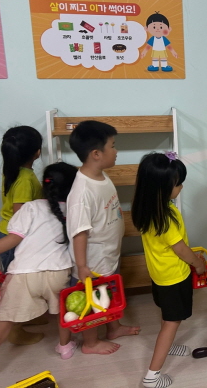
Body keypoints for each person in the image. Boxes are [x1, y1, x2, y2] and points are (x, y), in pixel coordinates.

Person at [0, 162, 79, 371]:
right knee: (62, 313)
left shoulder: (31, 207)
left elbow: (13, 239)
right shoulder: (74, 211)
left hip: (23, 275)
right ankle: (65, 347)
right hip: (58, 272)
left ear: (44, 185)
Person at [131, 152, 206, 388]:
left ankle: (169, 344)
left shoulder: (148, 211)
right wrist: (198, 263)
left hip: (159, 276)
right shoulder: (166, 219)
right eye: (178, 184)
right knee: (173, 321)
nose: (181, 187)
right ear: (162, 189)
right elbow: (181, 249)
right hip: (174, 278)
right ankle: (152, 376)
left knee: (167, 315)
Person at [66, 120, 140, 355]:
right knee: (93, 300)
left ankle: (113, 328)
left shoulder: (101, 176)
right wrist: (82, 266)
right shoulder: (82, 192)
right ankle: (90, 343)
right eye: (113, 146)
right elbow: (79, 232)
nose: (116, 151)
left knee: (107, 293)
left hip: (108, 253)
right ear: (96, 154)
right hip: (93, 260)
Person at [0, 125, 45, 345]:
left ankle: (25, 319)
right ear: (37, 152)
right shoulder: (25, 179)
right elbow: (20, 216)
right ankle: (15, 331)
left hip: (6, 233)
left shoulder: (12, 170)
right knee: (15, 287)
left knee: (18, 283)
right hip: (13, 239)